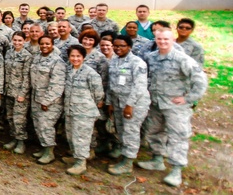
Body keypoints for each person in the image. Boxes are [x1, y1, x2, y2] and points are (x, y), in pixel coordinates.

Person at [138, 29, 208, 187]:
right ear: (155, 39)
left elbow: (200, 80)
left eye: (166, 39)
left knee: (178, 136)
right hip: (156, 103)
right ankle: (157, 159)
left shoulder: (182, 59)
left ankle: (176, 170)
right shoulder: (151, 57)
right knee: (154, 131)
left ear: (173, 39)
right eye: (159, 39)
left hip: (175, 106)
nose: (162, 42)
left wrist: (188, 98)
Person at [106, 35, 151, 175]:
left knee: (131, 131)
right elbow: (111, 83)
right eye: (116, 46)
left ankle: (128, 162)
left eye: (122, 46)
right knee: (121, 129)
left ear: (129, 47)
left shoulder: (137, 63)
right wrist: (110, 102)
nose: (118, 48)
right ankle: (123, 154)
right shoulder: (114, 60)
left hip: (134, 104)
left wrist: (129, 105)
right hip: (118, 101)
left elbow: (140, 86)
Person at [62, 45, 105, 175]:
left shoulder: (90, 73)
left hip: (84, 112)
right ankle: (76, 157)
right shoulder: (68, 70)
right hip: (70, 109)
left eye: (78, 56)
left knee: (81, 138)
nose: (75, 59)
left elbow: (98, 94)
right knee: (71, 136)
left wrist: (92, 103)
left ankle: (81, 163)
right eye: (72, 56)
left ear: (83, 57)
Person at [30, 35, 67, 164]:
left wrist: (47, 101)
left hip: (50, 102)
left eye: (47, 44)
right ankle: (44, 148)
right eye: (42, 44)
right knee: (38, 125)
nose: (44, 46)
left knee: (46, 126)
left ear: (52, 45)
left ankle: (49, 152)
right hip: (36, 98)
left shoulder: (57, 62)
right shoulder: (37, 58)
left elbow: (57, 85)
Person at [2, 32, 32, 154]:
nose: (17, 43)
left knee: (19, 118)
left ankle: (21, 141)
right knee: (9, 117)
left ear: (24, 41)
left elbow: (27, 77)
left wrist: (23, 93)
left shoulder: (27, 56)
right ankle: (14, 137)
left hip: (20, 93)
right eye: (15, 40)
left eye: (20, 40)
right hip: (8, 90)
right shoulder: (9, 53)